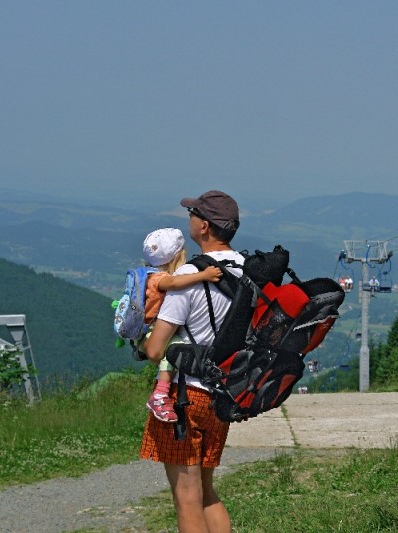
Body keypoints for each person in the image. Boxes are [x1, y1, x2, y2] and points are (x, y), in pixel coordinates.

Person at [140, 190, 244, 532]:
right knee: (206, 492)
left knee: (186, 496)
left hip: (185, 396)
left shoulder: (188, 276)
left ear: (204, 226)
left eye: (192, 215)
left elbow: (155, 350)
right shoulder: (244, 271)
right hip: (223, 393)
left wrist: (139, 338)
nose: (189, 220)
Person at [140, 227, 222, 424]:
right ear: (176, 257)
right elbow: (175, 284)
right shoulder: (159, 278)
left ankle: (160, 392)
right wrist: (203, 275)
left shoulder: (148, 273)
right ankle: (159, 396)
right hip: (151, 332)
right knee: (174, 349)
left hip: (147, 330)